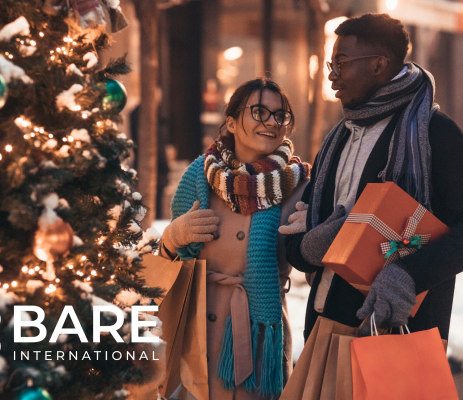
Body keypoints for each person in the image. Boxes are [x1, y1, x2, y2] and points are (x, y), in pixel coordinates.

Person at [284, 13, 463, 341]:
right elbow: (298, 241)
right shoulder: (338, 137)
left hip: (398, 334)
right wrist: (311, 245)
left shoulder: (437, 134)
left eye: (341, 63)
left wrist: (406, 275)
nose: (332, 77)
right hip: (324, 325)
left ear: (379, 65)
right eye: (330, 65)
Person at [160, 78, 310, 399]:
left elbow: (314, 271)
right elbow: (166, 269)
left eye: (279, 115)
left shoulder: (300, 186)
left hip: (258, 336)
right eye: (259, 112)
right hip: (197, 332)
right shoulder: (198, 177)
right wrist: (174, 236)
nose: (271, 122)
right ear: (231, 122)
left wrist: (315, 236)